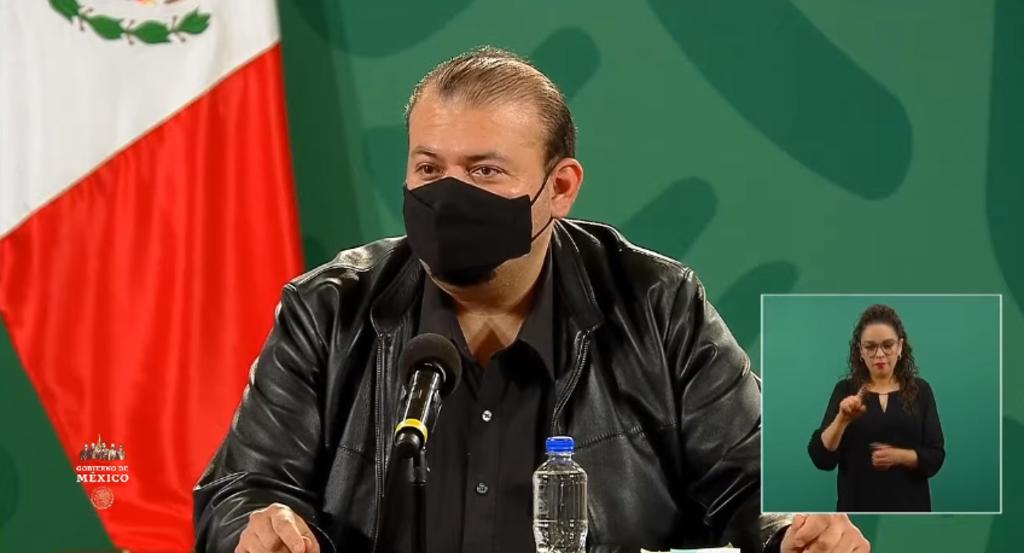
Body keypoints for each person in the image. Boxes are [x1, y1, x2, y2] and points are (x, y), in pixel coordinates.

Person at [193, 47, 869, 553]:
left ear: (561, 187)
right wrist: (256, 527)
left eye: (484, 171)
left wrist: (794, 531)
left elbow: (755, 480)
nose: (447, 195)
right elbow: (241, 489)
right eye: (428, 167)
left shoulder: (657, 305)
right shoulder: (328, 310)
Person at [809, 304, 945, 511]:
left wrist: (899, 456)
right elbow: (821, 458)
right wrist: (842, 419)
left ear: (900, 347)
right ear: (860, 351)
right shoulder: (846, 390)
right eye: (870, 347)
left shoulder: (921, 391)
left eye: (887, 345)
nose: (879, 354)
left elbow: (935, 455)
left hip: (910, 511)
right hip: (857, 510)